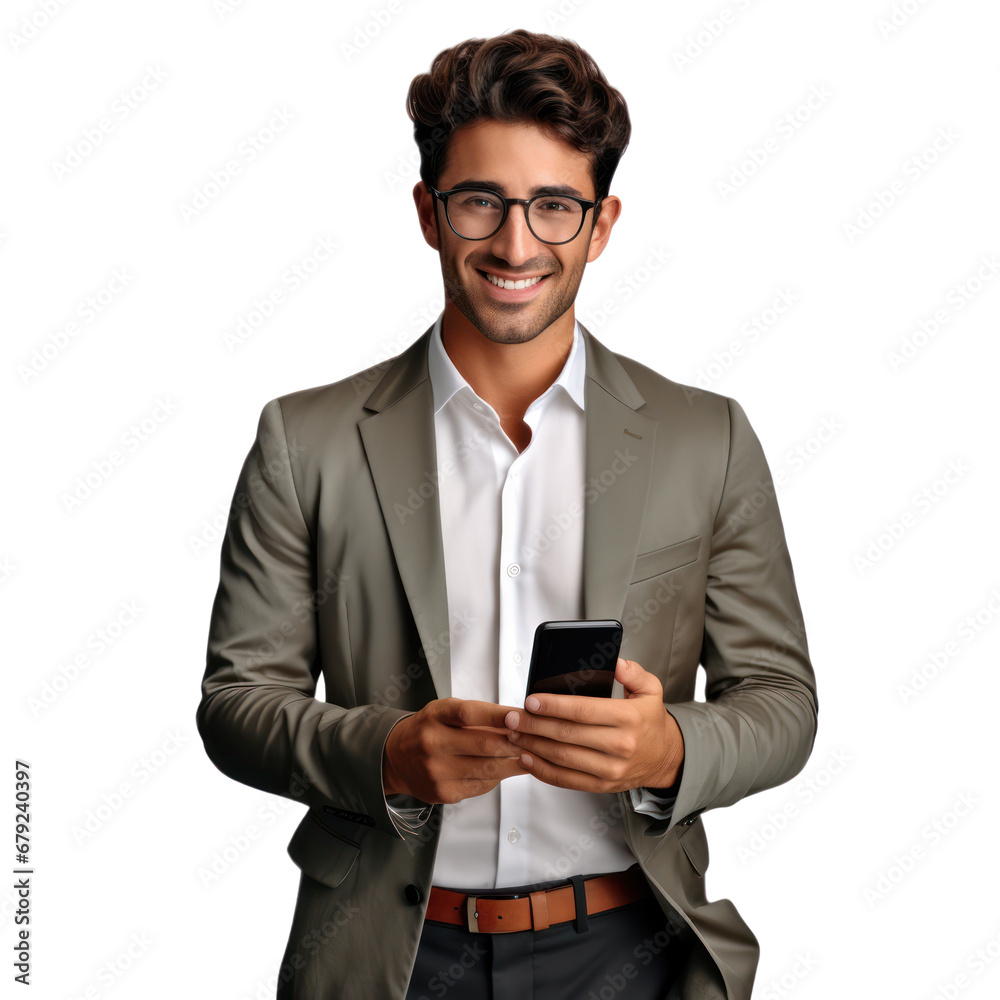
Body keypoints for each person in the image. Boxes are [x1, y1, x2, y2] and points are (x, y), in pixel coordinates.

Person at [196, 28, 817, 1000]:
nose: (516, 242)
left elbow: (782, 701)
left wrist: (669, 749)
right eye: (480, 200)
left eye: (554, 206)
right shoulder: (304, 441)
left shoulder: (708, 439)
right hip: (391, 959)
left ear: (601, 223)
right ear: (428, 213)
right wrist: (388, 754)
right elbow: (236, 706)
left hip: (630, 947)